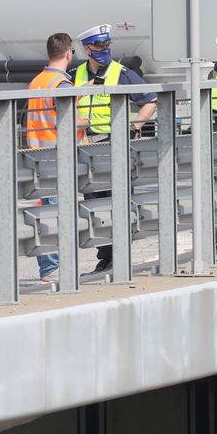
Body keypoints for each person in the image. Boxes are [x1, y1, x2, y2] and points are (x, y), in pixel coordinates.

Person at [74, 24, 158, 274]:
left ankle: (117, 256)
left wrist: (134, 127)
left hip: (113, 143)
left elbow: (150, 100)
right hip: (87, 145)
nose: (104, 49)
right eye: (99, 45)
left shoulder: (121, 73)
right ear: (87, 48)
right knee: (94, 204)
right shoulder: (76, 74)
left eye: (107, 45)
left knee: (116, 201)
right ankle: (105, 257)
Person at [23, 33, 88, 283]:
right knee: (60, 213)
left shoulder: (38, 81)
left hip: (37, 154)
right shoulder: (62, 85)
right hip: (59, 155)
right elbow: (68, 120)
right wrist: (90, 121)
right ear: (69, 53)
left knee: (45, 213)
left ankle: (47, 269)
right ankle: (54, 270)